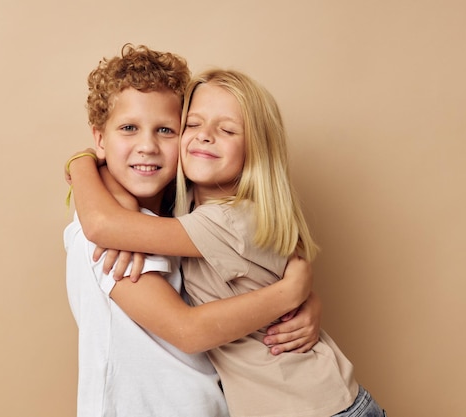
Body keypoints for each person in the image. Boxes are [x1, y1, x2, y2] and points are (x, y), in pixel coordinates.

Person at [67, 68, 386, 416]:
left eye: (228, 130)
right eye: (194, 124)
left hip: (319, 408)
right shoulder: (182, 211)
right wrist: (295, 292)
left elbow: (106, 225)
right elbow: (107, 222)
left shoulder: (227, 219)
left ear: (254, 149)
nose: (205, 137)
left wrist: (82, 163)